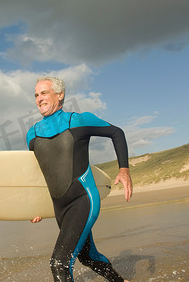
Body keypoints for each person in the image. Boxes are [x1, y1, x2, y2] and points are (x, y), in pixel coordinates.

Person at [26, 77, 133, 282]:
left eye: (44, 93)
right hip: (60, 208)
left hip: (82, 200)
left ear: (60, 95)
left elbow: (116, 132)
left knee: (59, 263)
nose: (39, 99)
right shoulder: (32, 134)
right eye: (36, 95)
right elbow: (39, 174)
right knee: (87, 257)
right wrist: (32, 206)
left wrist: (124, 169)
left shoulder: (79, 120)